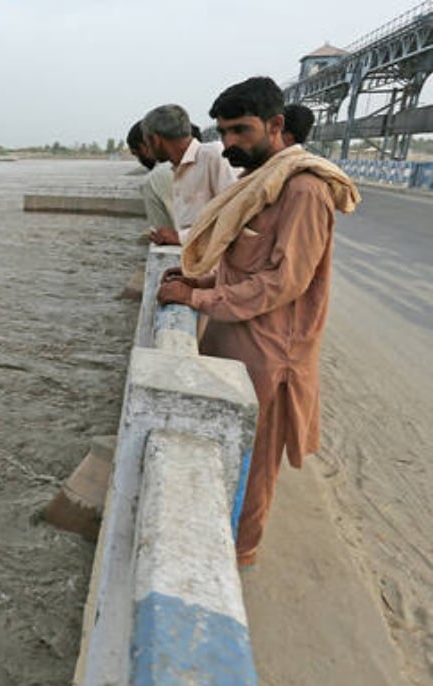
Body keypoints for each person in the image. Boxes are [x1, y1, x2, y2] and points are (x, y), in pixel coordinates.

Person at [156, 76, 360, 568]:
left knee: (251, 468)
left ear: (275, 124)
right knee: (226, 456)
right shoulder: (260, 183)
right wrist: (197, 281)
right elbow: (242, 265)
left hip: (268, 359)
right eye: (223, 132)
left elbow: (282, 283)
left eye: (240, 131)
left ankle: (235, 561)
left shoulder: (304, 191)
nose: (228, 144)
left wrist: (198, 300)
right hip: (235, 346)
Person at [141, 104, 239, 246]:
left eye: (146, 142)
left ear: (154, 140)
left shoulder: (214, 155)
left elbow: (237, 215)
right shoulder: (178, 169)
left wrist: (180, 237)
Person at [126, 121, 175, 233]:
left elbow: (160, 233)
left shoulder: (154, 178)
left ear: (147, 145)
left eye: (136, 153)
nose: (139, 160)